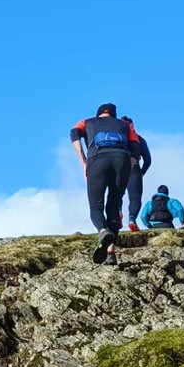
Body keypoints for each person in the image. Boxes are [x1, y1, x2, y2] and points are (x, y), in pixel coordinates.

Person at [71, 102, 141, 264]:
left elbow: (74, 134)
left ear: (99, 113)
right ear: (113, 114)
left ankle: (103, 231)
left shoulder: (86, 122)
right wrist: (128, 164)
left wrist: (83, 162)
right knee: (114, 205)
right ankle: (111, 253)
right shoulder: (126, 125)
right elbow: (136, 148)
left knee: (96, 206)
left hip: (97, 160)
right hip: (121, 160)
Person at [120, 116, 151, 232]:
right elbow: (148, 160)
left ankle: (118, 212)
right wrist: (141, 173)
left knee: (116, 194)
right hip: (134, 168)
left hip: (117, 166)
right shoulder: (139, 139)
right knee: (135, 197)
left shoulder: (116, 138)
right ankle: (132, 219)